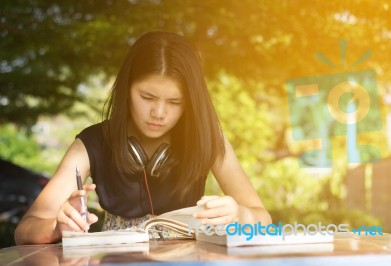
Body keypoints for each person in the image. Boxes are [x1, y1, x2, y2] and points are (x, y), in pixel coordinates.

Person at [14, 31, 272, 244]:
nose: (159, 113)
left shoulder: (207, 138)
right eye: (147, 97)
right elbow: (25, 228)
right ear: (126, 89)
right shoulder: (91, 144)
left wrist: (240, 215)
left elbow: (264, 220)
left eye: (175, 102)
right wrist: (57, 228)